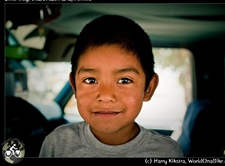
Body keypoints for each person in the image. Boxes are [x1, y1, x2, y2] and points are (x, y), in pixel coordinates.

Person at [39, 14, 184, 157]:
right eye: (90, 80)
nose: (106, 96)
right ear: (74, 86)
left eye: (124, 80)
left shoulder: (166, 152)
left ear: (149, 88)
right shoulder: (58, 143)